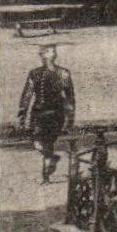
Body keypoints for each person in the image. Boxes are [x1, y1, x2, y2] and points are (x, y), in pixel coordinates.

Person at [18, 44, 75, 184]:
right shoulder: (34, 73)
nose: (50, 54)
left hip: (56, 114)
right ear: (42, 55)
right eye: (46, 52)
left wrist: (70, 118)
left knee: (48, 143)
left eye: (52, 52)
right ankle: (52, 159)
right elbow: (27, 94)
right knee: (36, 142)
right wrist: (22, 113)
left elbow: (70, 98)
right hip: (37, 114)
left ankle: (45, 177)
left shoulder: (64, 73)